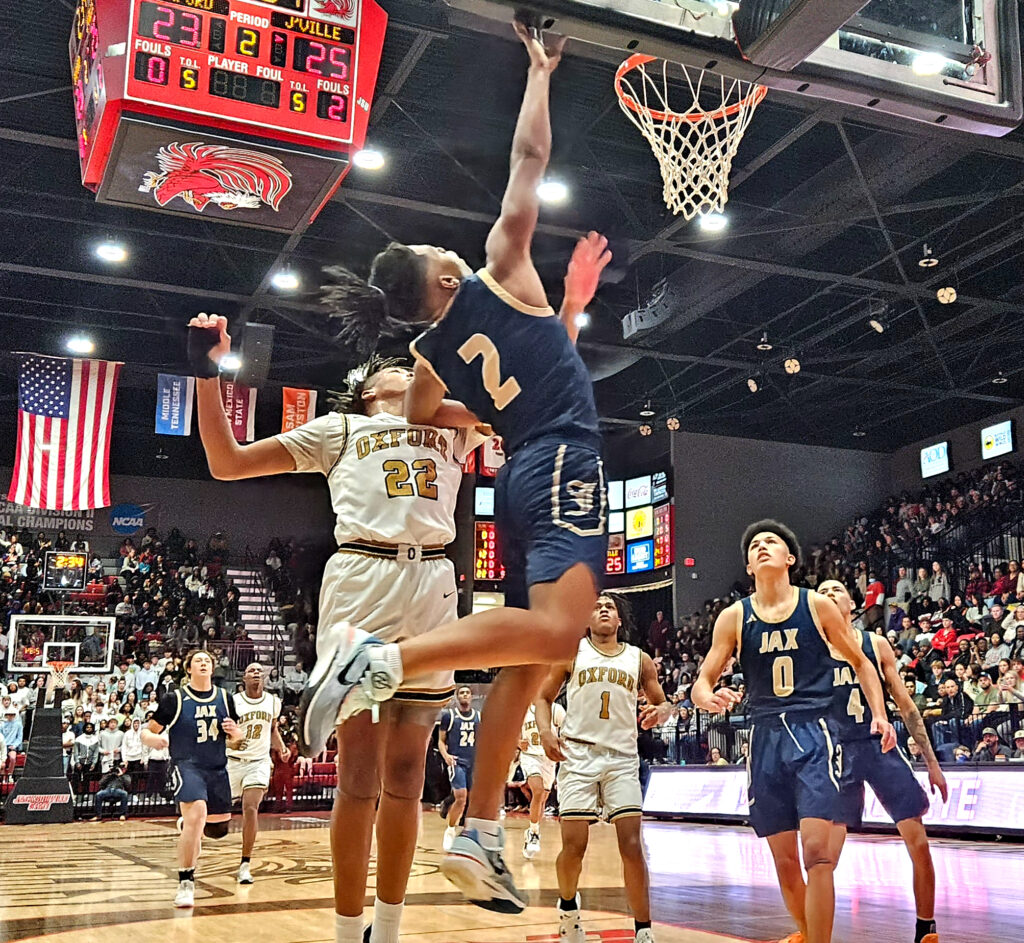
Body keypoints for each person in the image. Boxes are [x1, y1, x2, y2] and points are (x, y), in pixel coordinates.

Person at [299, 19, 613, 913]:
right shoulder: (501, 266)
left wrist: (563, 326)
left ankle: (478, 826)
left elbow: (433, 412)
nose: (452, 250)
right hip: (559, 456)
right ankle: (382, 655)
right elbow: (528, 158)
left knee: (524, 651)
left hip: (517, 475)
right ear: (442, 277)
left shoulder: (432, 349)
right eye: (443, 255)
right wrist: (542, 72)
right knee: (555, 635)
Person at [184, 331, 490, 943]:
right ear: (367, 389)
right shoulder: (339, 429)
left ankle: (390, 930)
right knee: (358, 775)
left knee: (407, 775)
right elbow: (227, 462)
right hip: (363, 575)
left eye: (415, 369)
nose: (408, 371)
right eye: (396, 369)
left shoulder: (455, 428)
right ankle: (349, 932)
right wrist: (203, 372)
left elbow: (503, 407)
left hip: (432, 580)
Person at [691, 521, 895, 943]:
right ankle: (810, 934)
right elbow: (702, 680)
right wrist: (706, 695)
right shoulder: (733, 617)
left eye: (773, 542)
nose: (763, 546)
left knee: (817, 855)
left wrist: (880, 713)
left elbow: (861, 662)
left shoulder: (817, 606)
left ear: (790, 559)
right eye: (756, 545)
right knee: (784, 862)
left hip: (814, 731)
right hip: (764, 738)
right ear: (748, 565)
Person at [535, 593, 671, 943]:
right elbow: (543, 697)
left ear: (620, 620)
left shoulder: (639, 659)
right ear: (587, 619)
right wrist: (547, 731)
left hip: (622, 758)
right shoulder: (571, 652)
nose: (604, 609)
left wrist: (662, 712)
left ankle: (643, 931)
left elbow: (662, 702)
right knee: (574, 847)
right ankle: (567, 906)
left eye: (610, 606)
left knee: (631, 845)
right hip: (578, 756)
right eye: (596, 606)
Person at [816, 581, 946, 943]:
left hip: (879, 745)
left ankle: (926, 929)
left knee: (918, 841)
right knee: (826, 856)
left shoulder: (875, 644)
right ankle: (813, 930)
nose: (827, 593)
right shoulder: (811, 649)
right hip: (838, 751)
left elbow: (906, 705)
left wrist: (932, 763)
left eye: (835, 589)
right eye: (821, 590)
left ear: (851, 602)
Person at [141, 649, 241, 908]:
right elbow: (146, 733)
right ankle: (186, 882)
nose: (204, 663)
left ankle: (188, 828)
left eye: (208, 660)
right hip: (187, 766)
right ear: (189, 669)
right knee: (196, 816)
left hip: (217, 768)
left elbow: (237, 740)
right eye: (198, 660)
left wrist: (236, 735)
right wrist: (157, 740)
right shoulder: (175, 699)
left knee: (216, 830)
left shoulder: (225, 698)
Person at [228, 663, 287, 884]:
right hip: (233, 761)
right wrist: (234, 743)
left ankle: (245, 864)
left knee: (250, 807)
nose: (256, 673)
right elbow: (226, 734)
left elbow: (272, 730)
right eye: (251, 670)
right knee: (217, 816)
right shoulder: (234, 702)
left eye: (259, 671)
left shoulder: (273, 702)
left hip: (259, 761)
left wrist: (280, 747)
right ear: (243, 678)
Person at [517, 696, 565, 859]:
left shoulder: (556, 710)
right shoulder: (523, 709)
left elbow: (567, 731)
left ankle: (531, 830)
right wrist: (518, 741)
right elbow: (512, 731)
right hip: (530, 756)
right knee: (537, 791)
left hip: (549, 759)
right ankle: (534, 833)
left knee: (543, 797)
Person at [438, 686, 481, 852]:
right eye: (461, 692)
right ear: (457, 697)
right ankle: (450, 830)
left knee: (472, 799)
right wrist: (446, 756)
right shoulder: (449, 716)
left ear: (471, 697)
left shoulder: (478, 716)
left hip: (474, 762)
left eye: (467, 693)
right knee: (461, 797)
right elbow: (441, 741)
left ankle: (467, 835)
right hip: (457, 761)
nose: (465, 695)